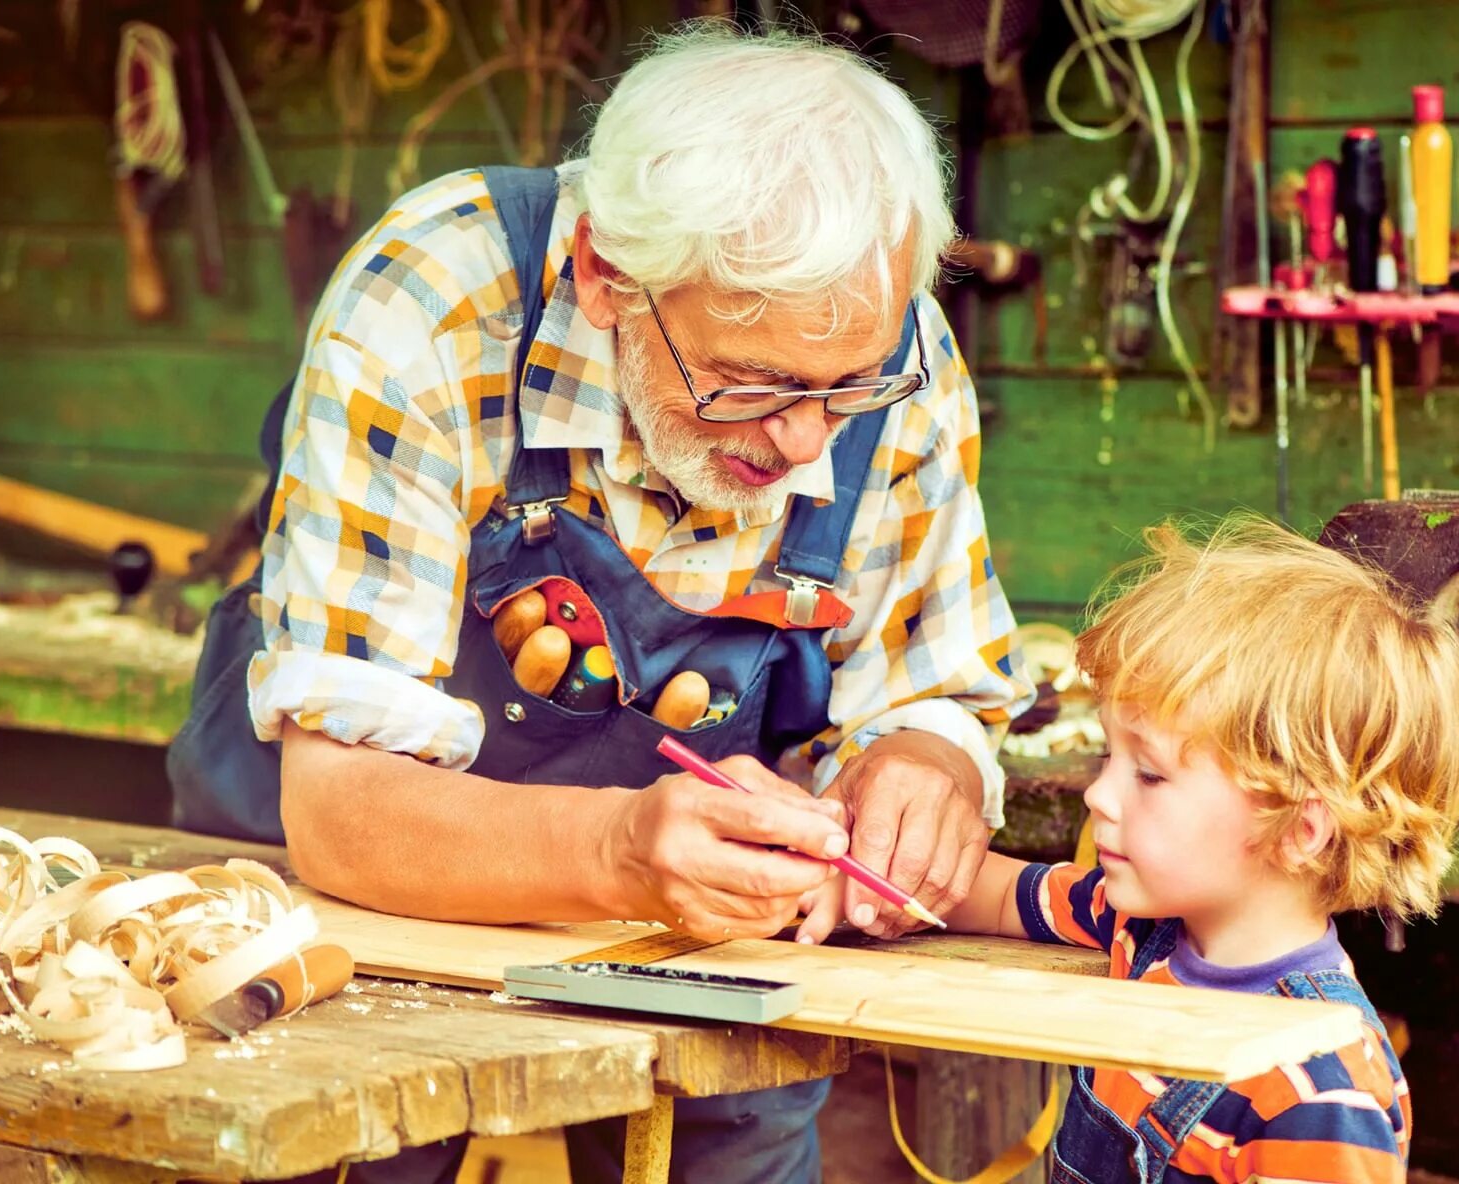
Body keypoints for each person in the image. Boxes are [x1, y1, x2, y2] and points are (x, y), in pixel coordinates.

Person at [168, 23, 1034, 1184]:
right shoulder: (432, 300)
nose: (803, 439)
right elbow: (341, 808)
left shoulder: (885, 352)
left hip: (703, 942)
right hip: (340, 921)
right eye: (749, 385)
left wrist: (928, 762)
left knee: (740, 1130)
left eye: (845, 388)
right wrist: (621, 847)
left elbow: (935, 685)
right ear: (605, 277)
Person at [937, 515, 1459, 1183]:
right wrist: (847, 879)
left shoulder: (1317, 1096)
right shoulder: (1134, 922)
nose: (1098, 797)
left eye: (1149, 774)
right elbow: (984, 894)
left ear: (1297, 831)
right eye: (1108, 756)